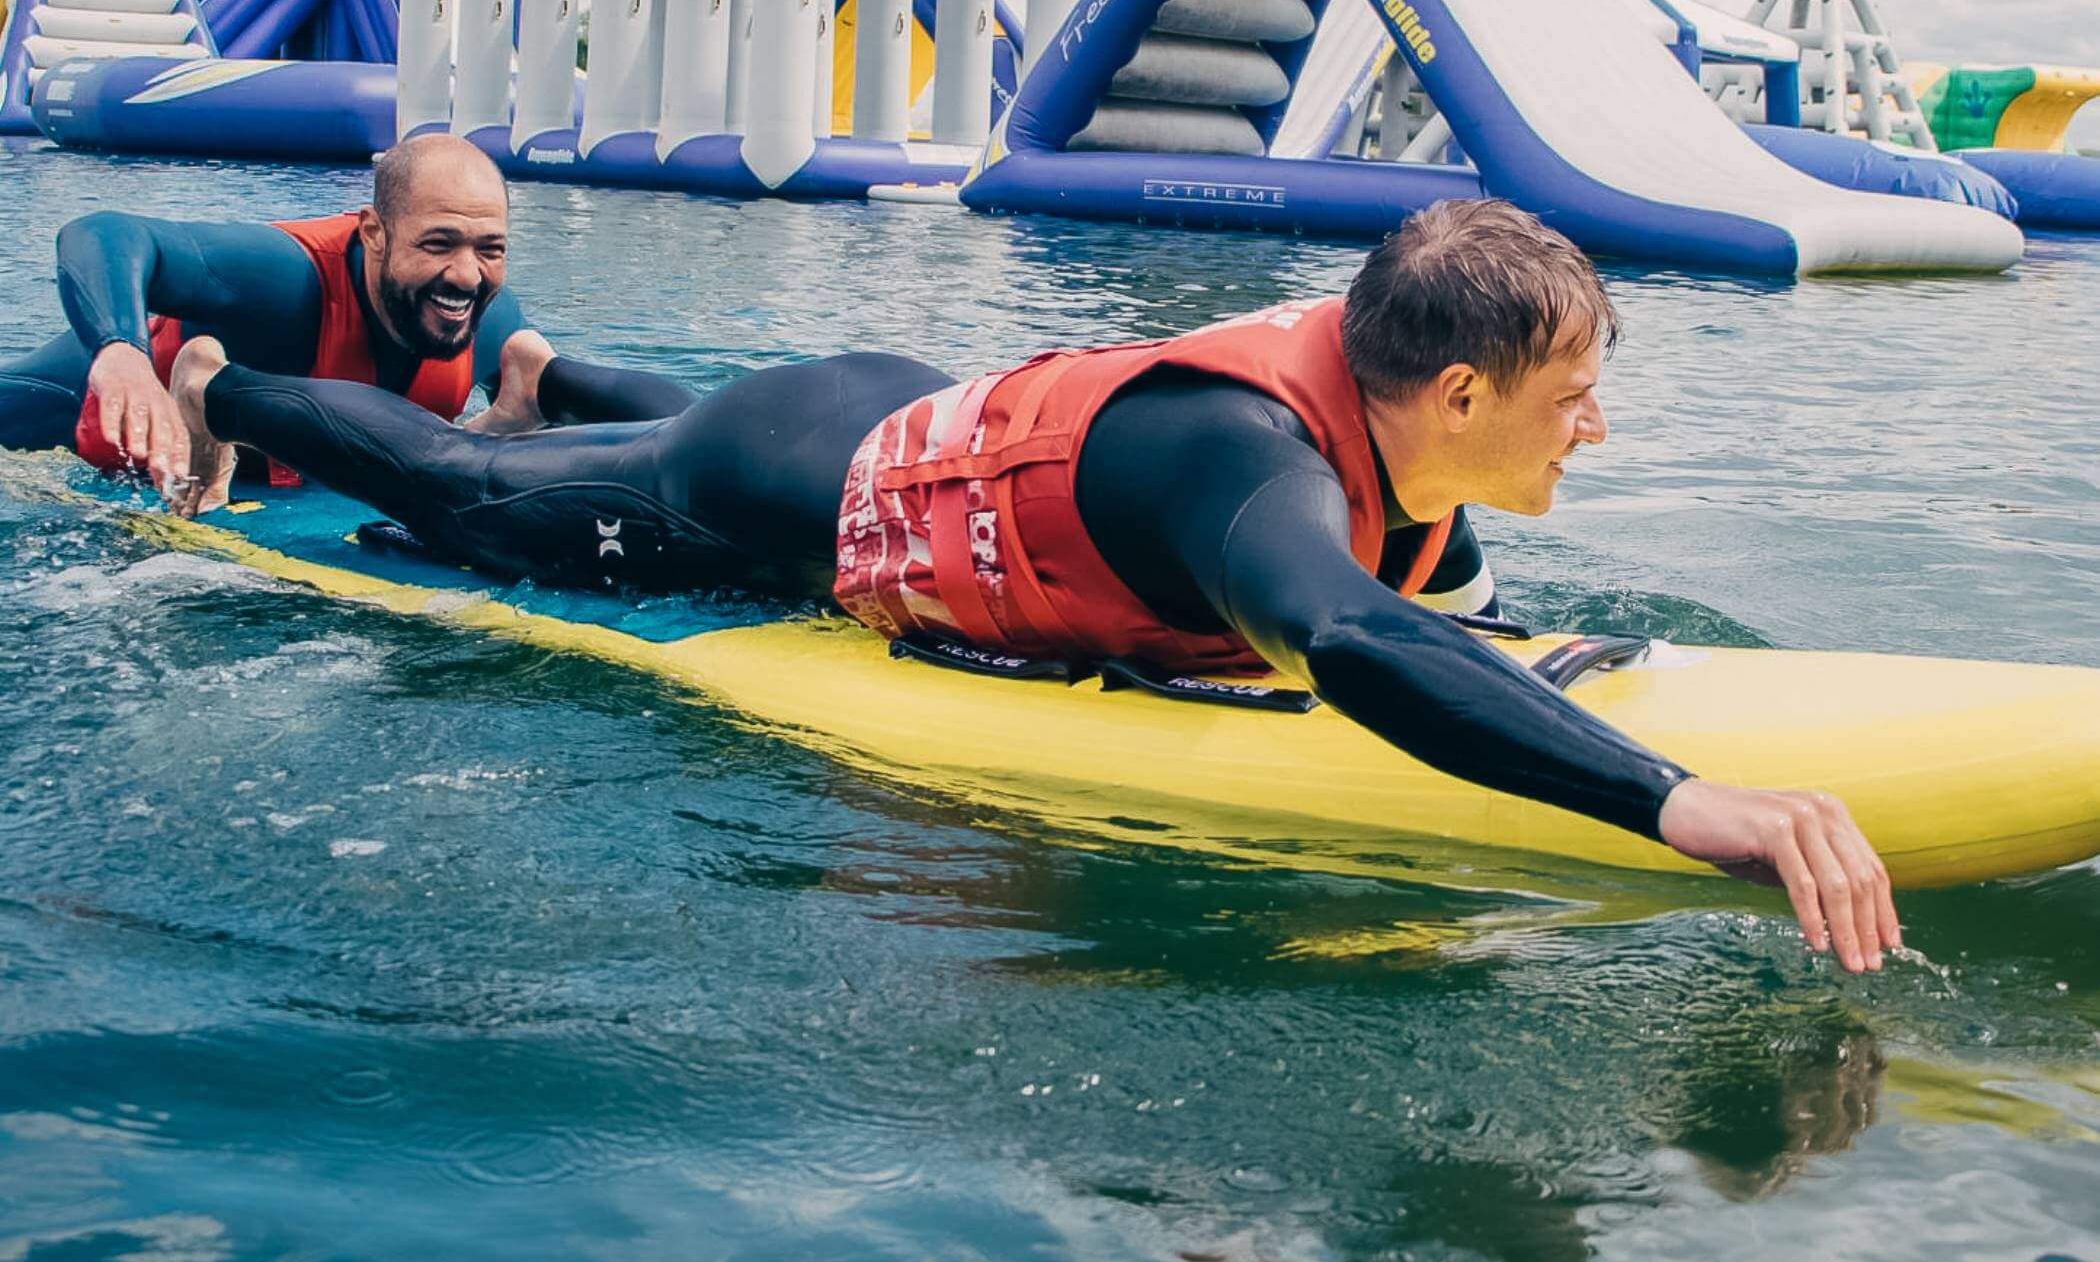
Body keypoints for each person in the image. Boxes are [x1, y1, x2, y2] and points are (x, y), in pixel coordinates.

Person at [164, 198, 1902, 973]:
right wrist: (1680, 805)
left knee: (570, 445)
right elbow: (1360, 640)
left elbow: (1422, 609)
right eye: (1571, 395)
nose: (1594, 428)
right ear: (1454, 393)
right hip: (792, 479)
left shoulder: (1415, 468)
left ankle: (571, 375)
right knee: (475, 491)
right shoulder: (1250, 464)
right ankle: (221, 384)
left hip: (915, 409)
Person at [0, 133, 533, 502]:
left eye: (491, 249)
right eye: (439, 244)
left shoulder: (483, 322)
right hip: (42, 432)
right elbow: (101, 233)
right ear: (373, 233)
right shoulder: (286, 282)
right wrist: (120, 355)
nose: (467, 275)